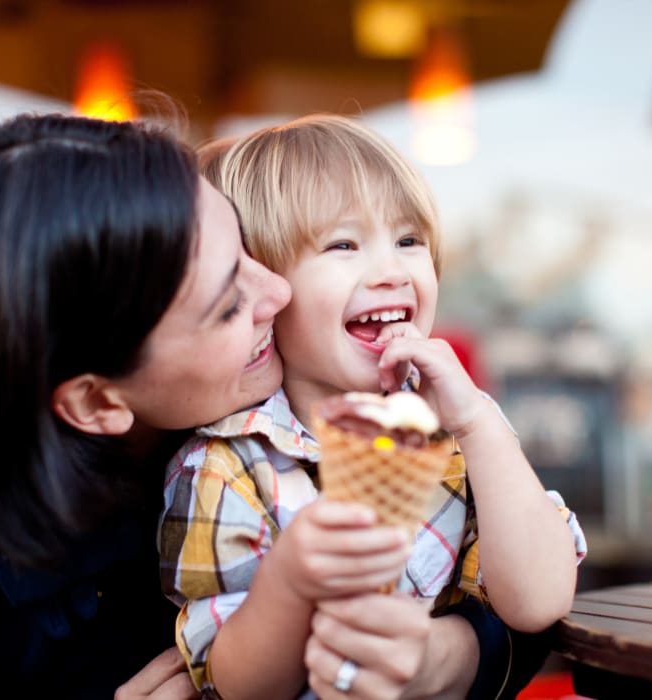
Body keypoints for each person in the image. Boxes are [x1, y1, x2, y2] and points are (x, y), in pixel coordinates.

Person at [0, 112, 529, 700]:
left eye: (250, 250)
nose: (278, 295)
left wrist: (457, 655)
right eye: (228, 304)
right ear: (97, 401)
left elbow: (499, 571)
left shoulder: (311, 404)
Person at [160, 115, 588, 700]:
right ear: (264, 285)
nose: (391, 272)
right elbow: (236, 686)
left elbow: (538, 601)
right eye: (343, 245)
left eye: (409, 240)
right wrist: (291, 583)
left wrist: (480, 423)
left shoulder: (459, 432)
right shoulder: (229, 465)